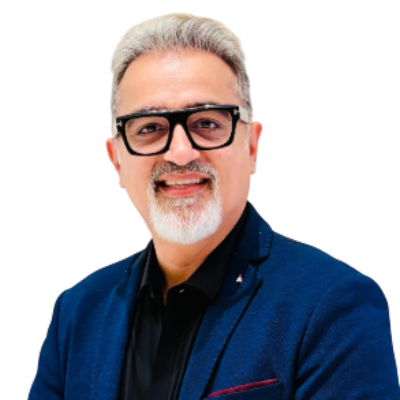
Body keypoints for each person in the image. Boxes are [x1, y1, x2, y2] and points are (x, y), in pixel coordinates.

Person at [27, 12, 400, 400]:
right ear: (115, 160)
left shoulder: (333, 306)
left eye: (206, 123)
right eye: (149, 128)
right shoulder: (77, 312)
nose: (180, 152)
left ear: (251, 147)